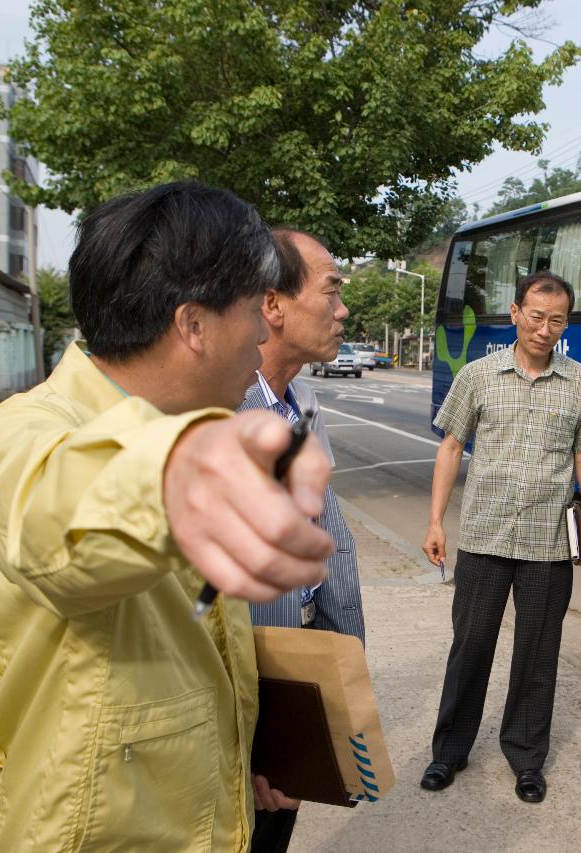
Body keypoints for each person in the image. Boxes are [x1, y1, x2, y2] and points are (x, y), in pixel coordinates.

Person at [0, 182, 334, 852]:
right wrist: (189, 470)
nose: (261, 332)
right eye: (253, 309)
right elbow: (62, 524)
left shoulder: (185, 426)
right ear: (193, 324)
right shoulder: (21, 433)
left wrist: (242, 747)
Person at [420, 271, 581, 804]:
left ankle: (526, 758)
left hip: (547, 545)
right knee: (471, 646)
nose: (545, 329)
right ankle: (448, 753)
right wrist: (435, 521)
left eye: (558, 320)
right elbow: (451, 447)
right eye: (537, 316)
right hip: (483, 538)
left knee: (537, 653)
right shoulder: (479, 376)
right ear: (515, 312)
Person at [242, 228, 364, 853]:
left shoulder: (301, 400)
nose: (342, 309)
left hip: (304, 662)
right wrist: (253, 737)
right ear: (273, 305)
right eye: (331, 290)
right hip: (251, 683)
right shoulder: (220, 417)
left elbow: (331, 535)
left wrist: (346, 666)